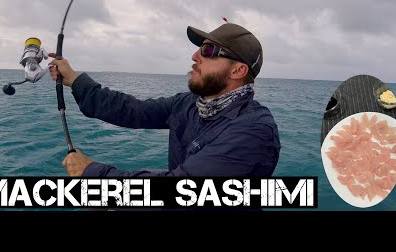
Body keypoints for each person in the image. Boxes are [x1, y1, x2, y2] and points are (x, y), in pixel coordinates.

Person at [49, 23, 281, 178]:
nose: (195, 56)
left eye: (209, 51)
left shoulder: (254, 131)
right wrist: (76, 80)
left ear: (238, 71)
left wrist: (92, 172)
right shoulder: (188, 104)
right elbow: (133, 110)